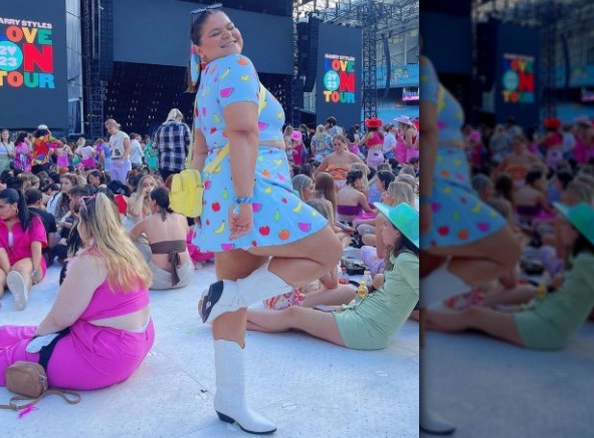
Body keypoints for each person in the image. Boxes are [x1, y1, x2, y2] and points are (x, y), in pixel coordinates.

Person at [187, 6, 341, 434]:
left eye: (230, 28)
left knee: (230, 288)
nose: (228, 35)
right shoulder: (236, 67)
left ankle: (229, 400)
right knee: (328, 249)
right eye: (215, 32)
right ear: (198, 48)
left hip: (226, 189)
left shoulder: (205, 84)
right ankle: (232, 299)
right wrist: (242, 198)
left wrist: (204, 200)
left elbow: (199, 153)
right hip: (253, 185)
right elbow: (243, 132)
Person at [418, 48, 521, 435]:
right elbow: (428, 130)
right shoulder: (425, 65)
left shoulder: (429, 67)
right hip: (442, 188)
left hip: (448, 184)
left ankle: (422, 404)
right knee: (506, 249)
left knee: (428, 294)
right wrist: (427, 198)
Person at [0, 192, 154, 390]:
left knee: (14, 354)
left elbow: (59, 320)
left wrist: (36, 339)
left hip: (106, 355)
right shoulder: (125, 250)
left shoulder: (91, 261)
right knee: (38, 332)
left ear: (86, 225)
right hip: (137, 339)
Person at [246, 202, 418, 349]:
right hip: (365, 321)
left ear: (398, 233)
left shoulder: (405, 260)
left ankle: (235, 314)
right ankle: (236, 319)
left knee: (294, 315)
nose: (381, 228)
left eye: (386, 225)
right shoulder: (400, 257)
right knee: (297, 318)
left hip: (366, 328)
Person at [425, 202, 594, 350]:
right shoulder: (581, 258)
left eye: (563, 225)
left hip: (545, 328)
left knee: (473, 315)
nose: (559, 228)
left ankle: (417, 313)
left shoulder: (585, 261)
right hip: (546, 323)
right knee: (475, 316)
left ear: (575, 232)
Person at [0, 188, 48, 313]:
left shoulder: (33, 219)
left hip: (29, 260)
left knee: (21, 269)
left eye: (1, 207)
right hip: (4, 261)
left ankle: (21, 297)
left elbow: (36, 246)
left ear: (14, 206)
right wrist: (8, 272)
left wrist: (35, 268)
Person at [131, 187, 194, 290]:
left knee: (138, 239)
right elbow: (186, 231)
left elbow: (127, 238)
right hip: (185, 277)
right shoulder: (182, 218)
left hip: (156, 280)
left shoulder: (147, 221)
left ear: (154, 202)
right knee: (182, 243)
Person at [154, 108, 192, 181]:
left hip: (164, 164)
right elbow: (189, 145)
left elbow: (154, 146)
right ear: (179, 117)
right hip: (180, 164)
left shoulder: (161, 128)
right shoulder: (183, 127)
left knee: (168, 188)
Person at [105, 119, 132, 184]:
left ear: (115, 126)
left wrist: (122, 159)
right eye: (107, 129)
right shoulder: (111, 137)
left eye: (110, 128)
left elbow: (128, 148)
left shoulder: (123, 135)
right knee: (114, 183)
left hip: (122, 161)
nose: (109, 130)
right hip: (113, 160)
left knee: (122, 182)